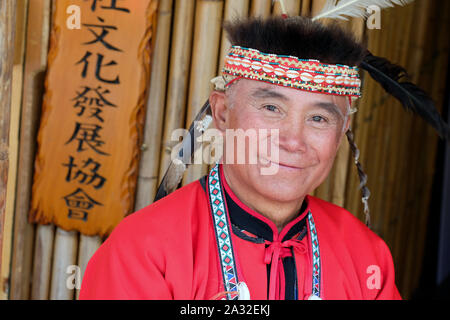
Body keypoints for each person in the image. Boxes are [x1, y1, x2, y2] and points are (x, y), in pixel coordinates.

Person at [79, 15, 448, 300]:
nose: (293, 140)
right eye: (271, 107)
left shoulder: (365, 254)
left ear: (341, 133)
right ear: (223, 113)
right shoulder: (143, 253)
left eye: (319, 118)